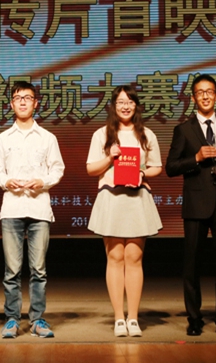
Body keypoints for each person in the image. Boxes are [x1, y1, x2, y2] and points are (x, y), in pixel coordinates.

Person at [166, 74, 216, 337]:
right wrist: (196, 158)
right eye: (200, 92)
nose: (205, 96)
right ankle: (194, 318)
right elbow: (171, 167)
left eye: (209, 91)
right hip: (195, 203)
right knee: (192, 264)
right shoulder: (183, 130)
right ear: (193, 97)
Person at [86, 85, 163, 337]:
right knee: (115, 257)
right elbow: (91, 169)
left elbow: (156, 167)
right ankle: (119, 317)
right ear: (113, 106)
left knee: (134, 257)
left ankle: (133, 318)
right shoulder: (102, 134)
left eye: (130, 102)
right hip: (111, 198)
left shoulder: (147, 134)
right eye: (121, 102)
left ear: (136, 106)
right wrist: (110, 158)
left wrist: (142, 173)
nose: (125, 106)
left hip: (137, 199)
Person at [0, 81, 65, 338]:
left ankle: (37, 319)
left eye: (27, 97)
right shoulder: (2, 138)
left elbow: (57, 169)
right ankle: (12, 319)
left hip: (39, 208)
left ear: (36, 103)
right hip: (12, 208)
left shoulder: (47, 137)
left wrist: (42, 181)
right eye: (17, 97)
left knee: (39, 270)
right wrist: (7, 181)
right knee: (12, 271)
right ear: (11, 104)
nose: (22, 101)